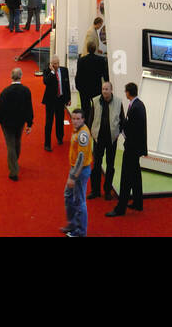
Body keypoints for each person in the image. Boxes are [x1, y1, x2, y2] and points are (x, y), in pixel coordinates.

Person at [107, 82, 146, 216]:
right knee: (135, 175)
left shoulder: (135, 107)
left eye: (125, 91)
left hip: (131, 148)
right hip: (136, 148)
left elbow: (131, 128)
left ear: (128, 92)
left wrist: (122, 125)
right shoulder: (139, 105)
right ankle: (138, 202)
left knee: (126, 177)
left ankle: (120, 208)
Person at [0, 67, 34, 180]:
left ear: (11, 76)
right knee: (17, 142)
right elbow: (29, 108)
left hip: (7, 124)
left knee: (10, 145)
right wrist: (29, 123)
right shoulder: (26, 91)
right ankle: (15, 162)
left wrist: (1, 121)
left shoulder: (5, 92)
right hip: (20, 122)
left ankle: (13, 171)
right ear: (21, 76)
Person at [88, 81, 123, 200]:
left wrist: (118, 134)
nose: (104, 91)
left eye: (107, 89)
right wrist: (92, 133)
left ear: (111, 90)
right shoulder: (96, 101)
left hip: (111, 139)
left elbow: (122, 120)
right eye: (103, 89)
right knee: (96, 165)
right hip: (98, 138)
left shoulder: (118, 102)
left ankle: (107, 191)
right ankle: (95, 191)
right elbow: (91, 118)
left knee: (110, 165)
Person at [62, 109, 94, 237]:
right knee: (68, 195)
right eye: (73, 118)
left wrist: (73, 177)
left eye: (77, 119)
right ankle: (73, 223)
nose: (74, 121)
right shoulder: (77, 129)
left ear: (83, 119)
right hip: (76, 169)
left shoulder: (83, 135)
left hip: (80, 171)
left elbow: (81, 157)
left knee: (79, 200)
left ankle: (80, 231)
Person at [75, 41, 108, 133]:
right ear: (95, 49)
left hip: (84, 90)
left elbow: (78, 76)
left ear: (87, 49)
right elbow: (105, 76)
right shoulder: (101, 60)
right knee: (97, 110)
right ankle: (96, 128)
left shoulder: (81, 60)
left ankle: (86, 129)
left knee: (85, 110)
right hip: (96, 89)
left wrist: (79, 88)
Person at [42, 55, 71, 150]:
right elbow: (46, 82)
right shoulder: (47, 71)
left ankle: (60, 137)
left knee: (60, 119)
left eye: (58, 63)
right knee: (49, 122)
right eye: (54, 64)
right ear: (51, 64)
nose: (56, 65)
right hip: (50, 101)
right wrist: (52, 72)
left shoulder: (64, 70)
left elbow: (67, 85)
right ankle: (47, 144)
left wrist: (68, 98)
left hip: (61, 99)